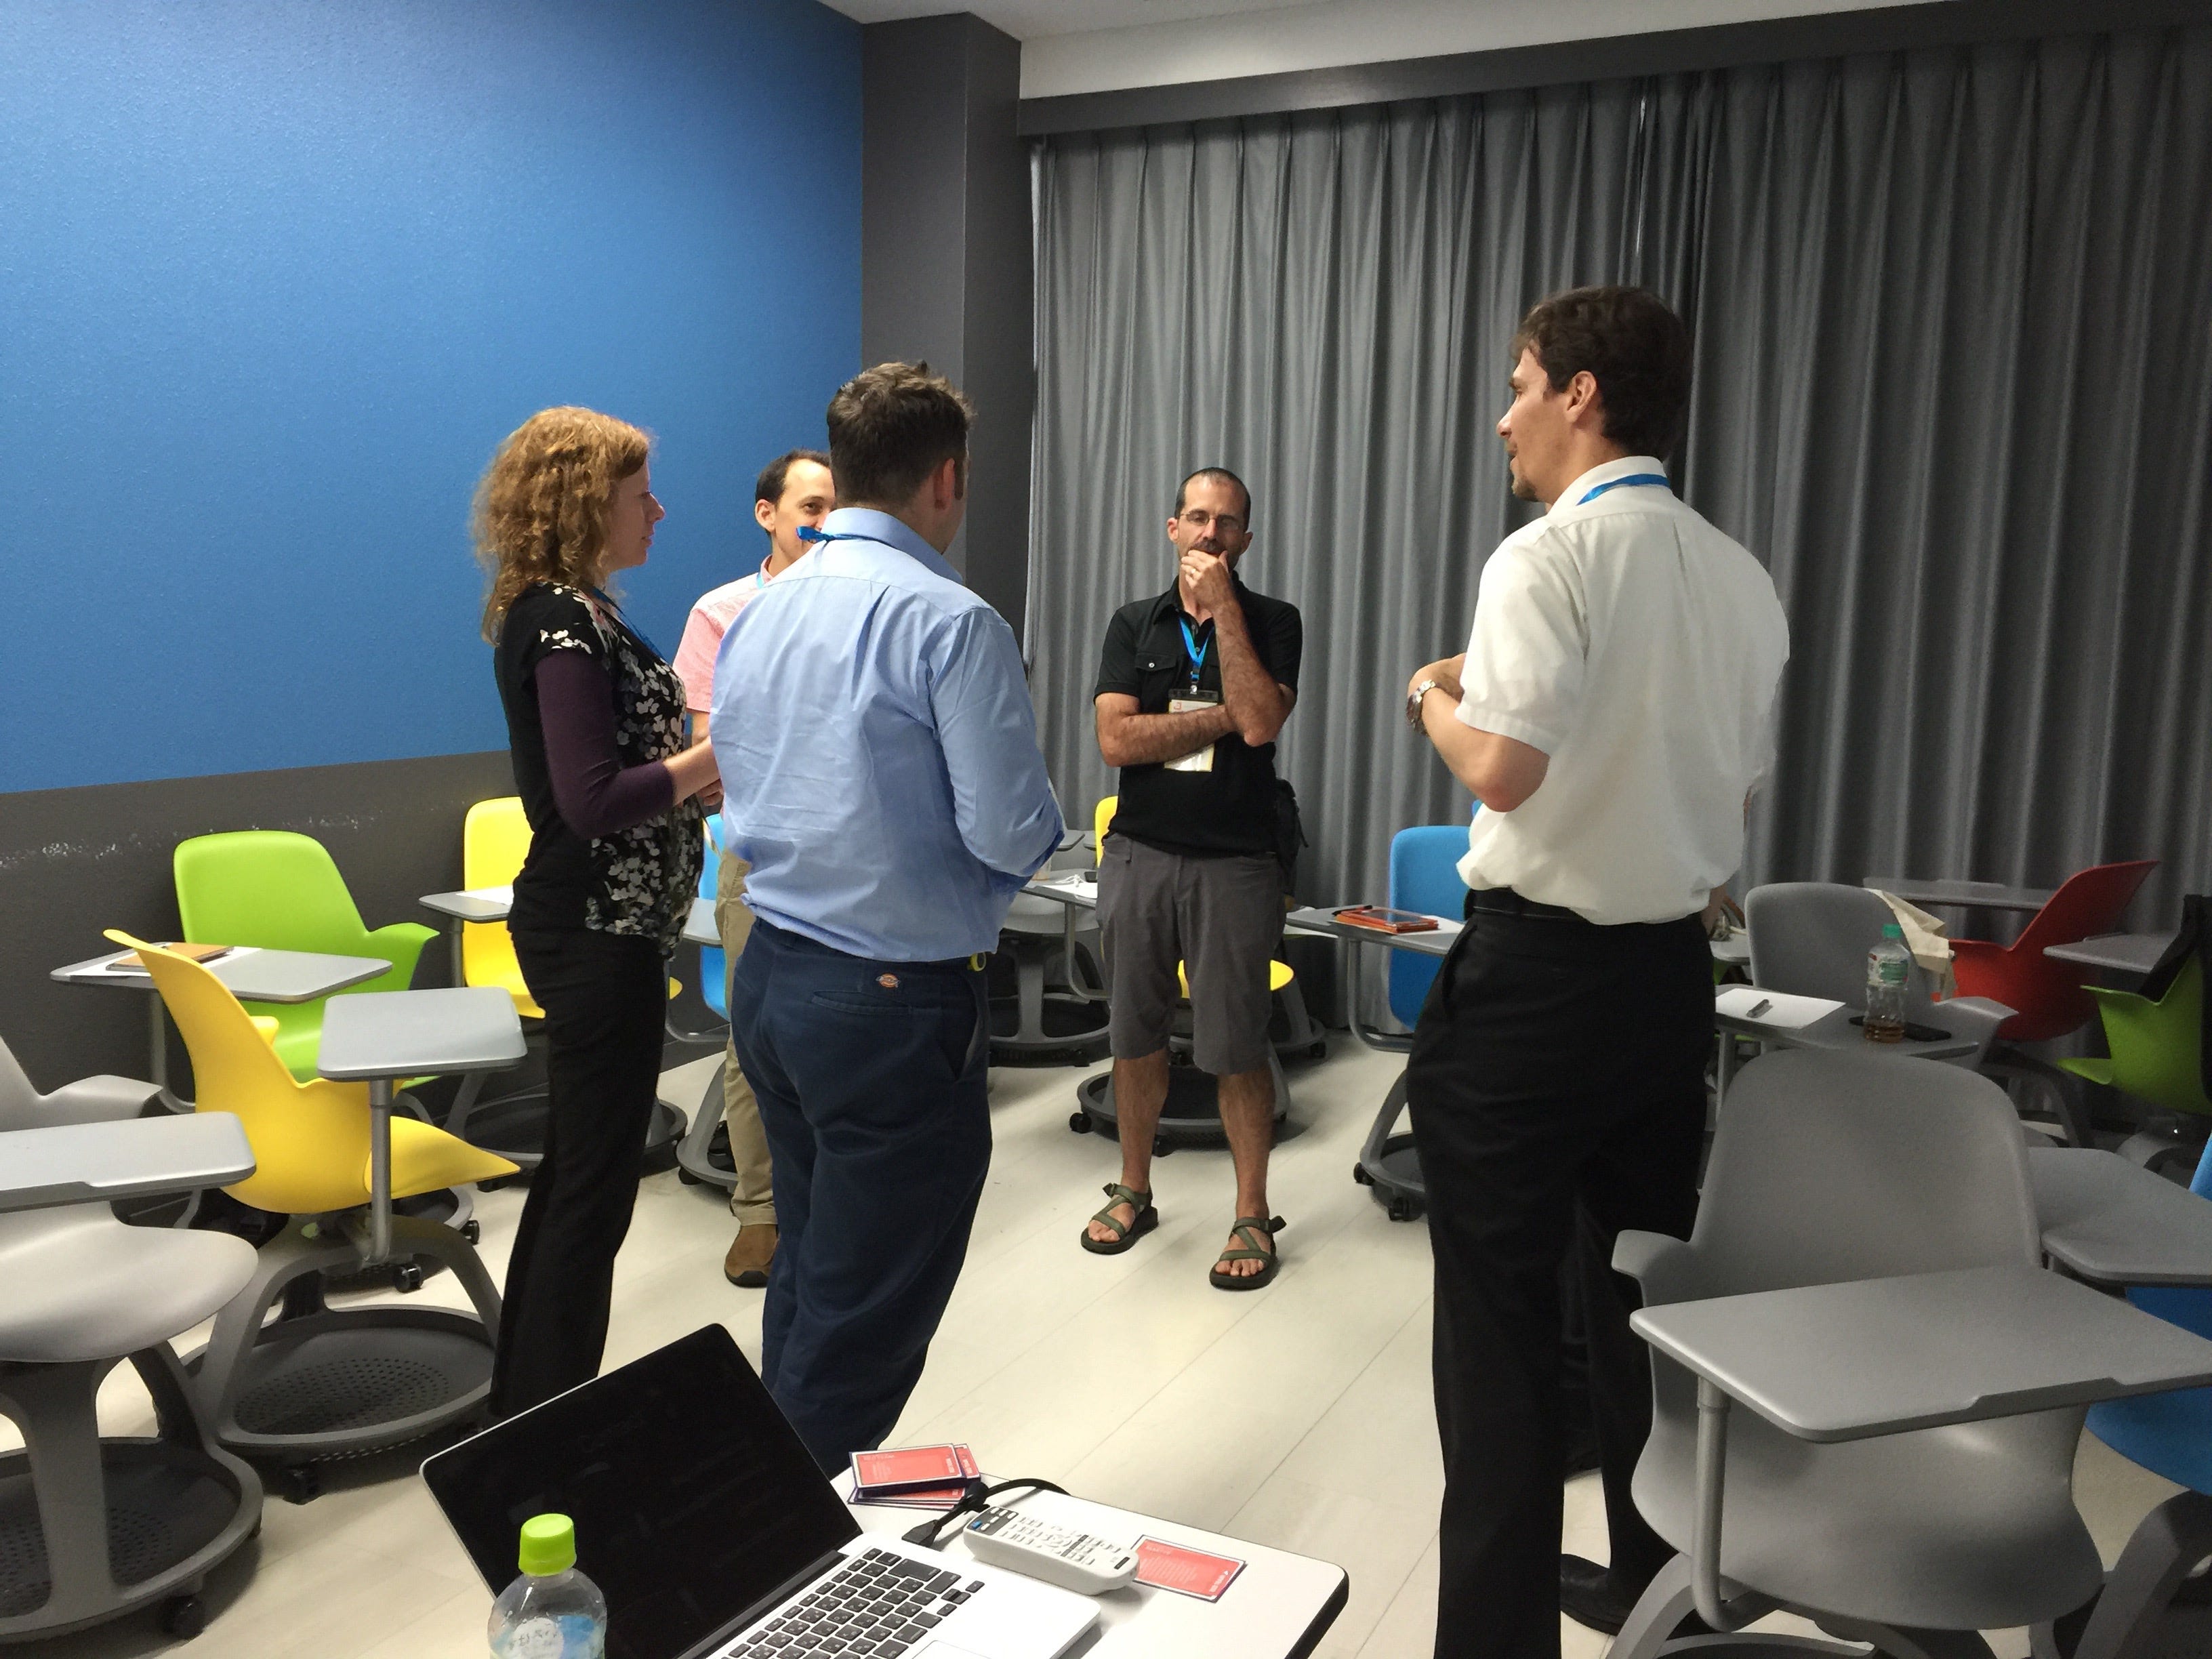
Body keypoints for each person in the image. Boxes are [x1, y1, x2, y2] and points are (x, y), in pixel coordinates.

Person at [1402, 285, 1788, 1657]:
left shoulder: (1539, 559)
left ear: (1579, 395)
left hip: (1533, 994)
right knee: (1633, 1300)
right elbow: (1718, 797)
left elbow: (1505, 767)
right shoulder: (1740, 578)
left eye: (1519, 383)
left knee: (1499, 1339)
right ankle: (1656, 1596)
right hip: (1661, 992)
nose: (1503, 415)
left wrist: (1433, 699)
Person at [710, 362, 1062, 1470]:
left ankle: (766, 1494)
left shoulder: (758, 610)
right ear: (945, 479)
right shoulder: (951, 622)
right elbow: (1011, 831)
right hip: (888, 1003)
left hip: (773, 978)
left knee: (813, 1269)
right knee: (863, 1325)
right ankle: (763, 1560)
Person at [474, 406, 720, 1418]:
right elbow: (593, 801)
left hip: (615, 931)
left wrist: (690, 785)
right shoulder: (561, 624)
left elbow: (629, 777)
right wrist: (720, 754)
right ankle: (546, 1416)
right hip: (591, 933)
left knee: (585, 1175)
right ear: (586, 503)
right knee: (591, 1189)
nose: (658, 510)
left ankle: (528, 1399)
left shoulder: (588, 613)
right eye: (639, 495)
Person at [1084, 468, 1301, 1288]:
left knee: (1235, 1046)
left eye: (1228, 524)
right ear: (1172, 527)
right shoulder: (1133, 623)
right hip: (1140, 854)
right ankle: (1134, 1189)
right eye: (1198, 519)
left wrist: (1228, 619)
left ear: (1245, 540)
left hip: (1237, 864)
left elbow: (1265, 716)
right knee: (1134, 1036)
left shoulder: (1274, 621)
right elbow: (1114, 742)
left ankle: (1252, 1214)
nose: (1211, 535)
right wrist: (1224, 720)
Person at [671, 449, 836, 1288]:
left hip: (850, 857)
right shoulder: (723, 611)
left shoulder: (861, 604)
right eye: (810, 505)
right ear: (766, 513)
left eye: (835, 508)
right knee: (757, 1035)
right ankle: (761, 1211)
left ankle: (835, 1205)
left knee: (844, 1032)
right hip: (761, 854)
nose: (824, 521)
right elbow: (708, 751)